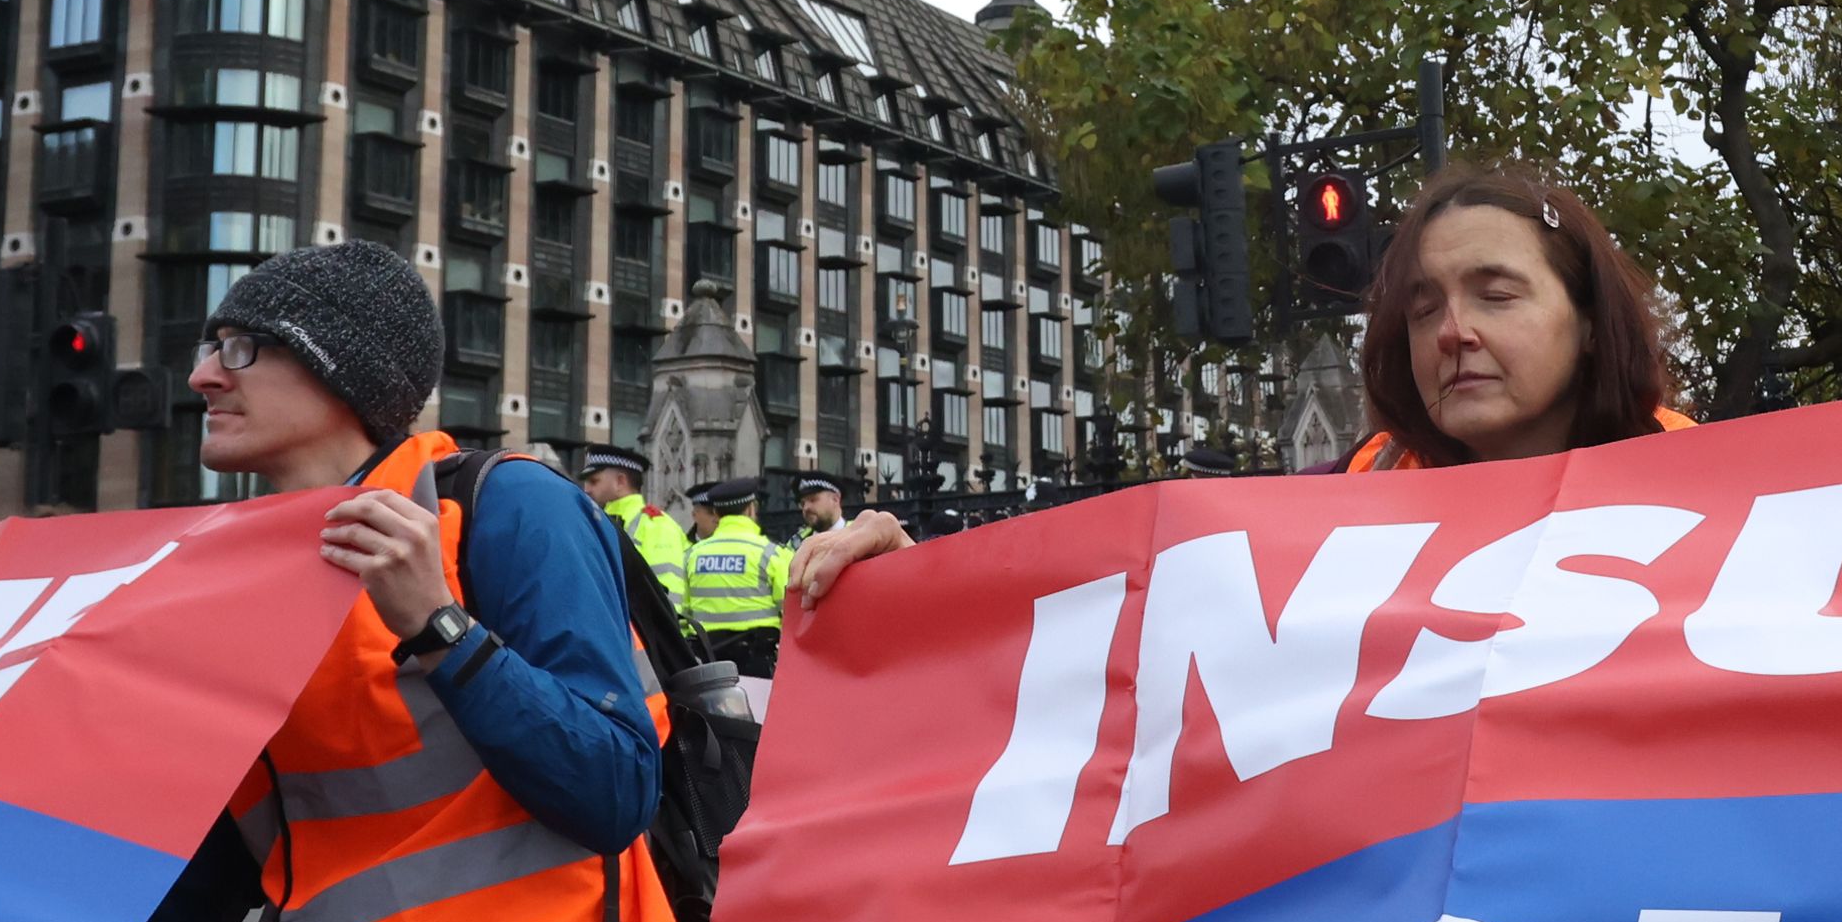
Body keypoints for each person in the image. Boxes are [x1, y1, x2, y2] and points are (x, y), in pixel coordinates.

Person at [0, 239, 679, 922]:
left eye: (244, 346)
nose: (204, 373)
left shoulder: (509, 507)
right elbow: (202, 884)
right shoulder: (244, 565)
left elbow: (616, 788)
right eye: (211, 343)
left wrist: (439, 626)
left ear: (347, 371)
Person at [787, 159, 1700, 629]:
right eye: (1422, 307)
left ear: (1589, 322)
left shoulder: (1722, 511)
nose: (1453, 330)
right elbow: (1115, 613)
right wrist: (916, 577)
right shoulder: (1324, 516)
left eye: (1496, 295)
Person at [673, 478, 791, 679]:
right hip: (759, 663)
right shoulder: (772, 554)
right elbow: (791, 610)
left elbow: (681, 613)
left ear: (717, 514)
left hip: (708, 663)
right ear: (751, 510)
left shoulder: (692, 555)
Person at [581, 444, 690, 610]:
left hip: (641, 634)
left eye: (594, 481)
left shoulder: (655, 525)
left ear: (620, 482)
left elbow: (666, 597)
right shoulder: (596, 522)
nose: (586, 489)